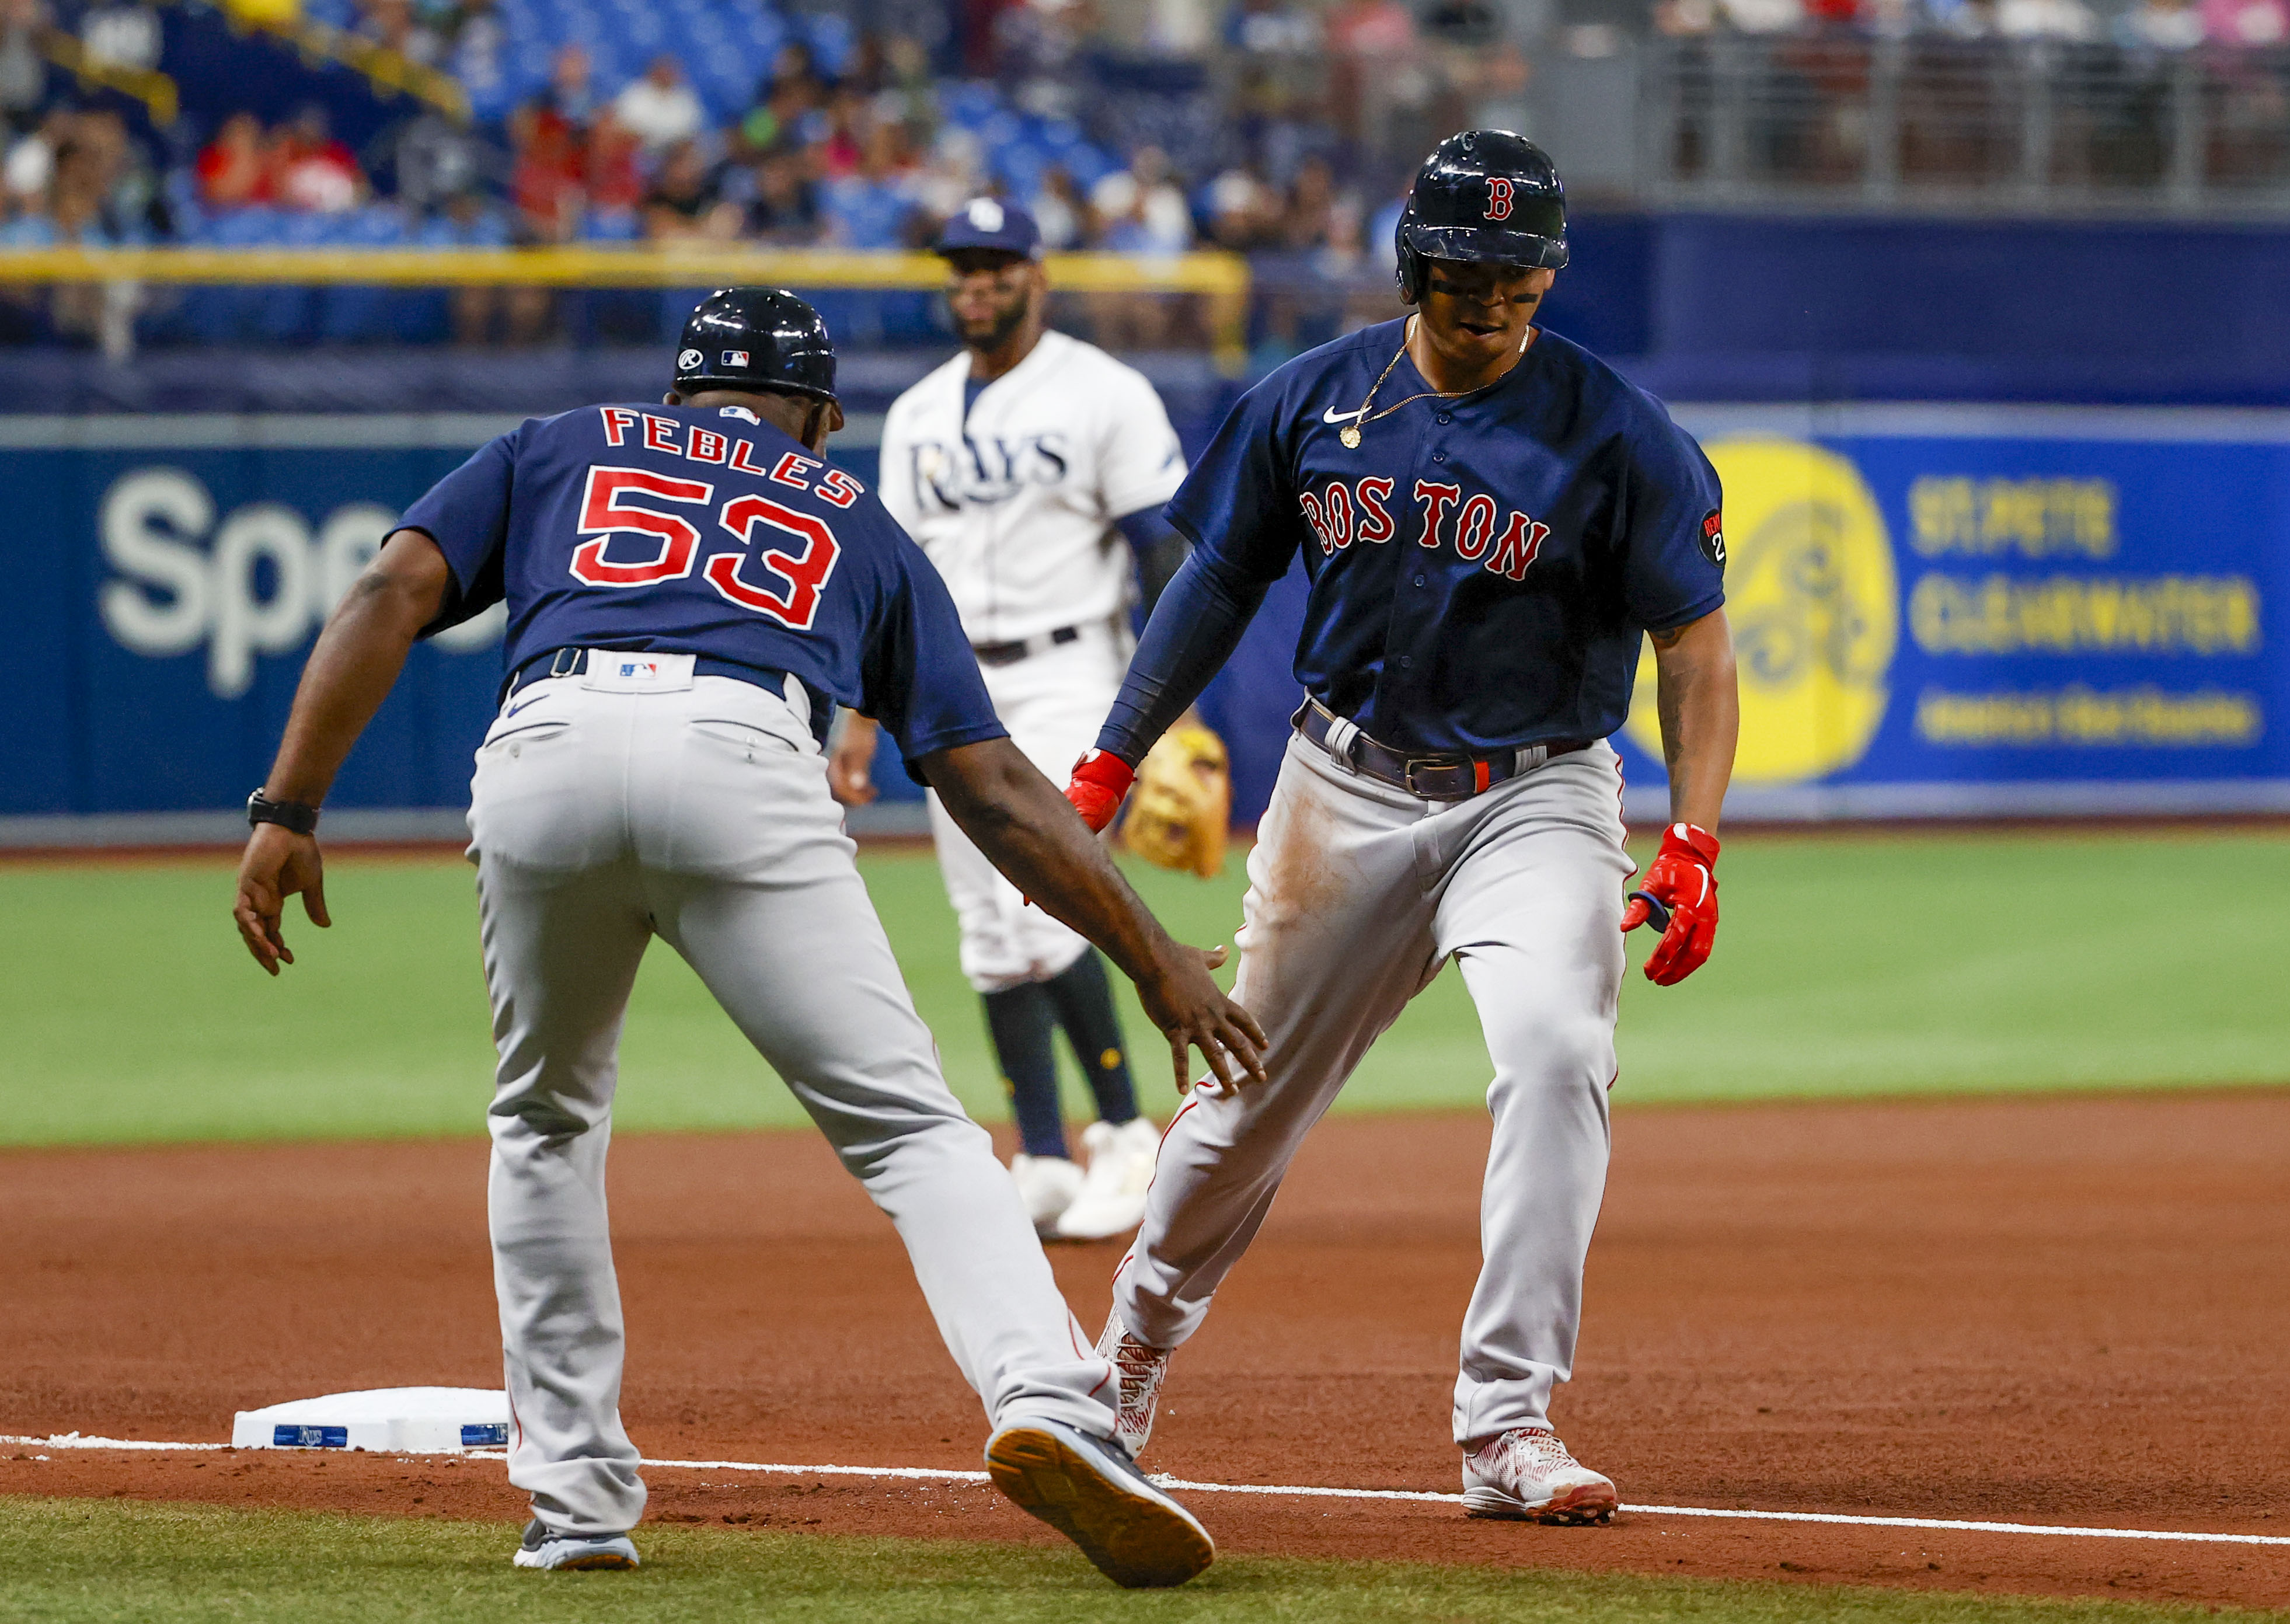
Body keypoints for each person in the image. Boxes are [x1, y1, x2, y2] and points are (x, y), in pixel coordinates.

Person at [231, 287, 1264, 1587]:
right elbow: (989, 785)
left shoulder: (562, 440)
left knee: (543, 1120)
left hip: (544, 747)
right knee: (909, 1131)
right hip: (738, 748)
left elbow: (393, 586)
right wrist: (1152, 956)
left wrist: (288, 805)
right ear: (819, 418)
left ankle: (576, 1503)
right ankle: (1052, 1404)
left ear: (674, 397)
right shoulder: (850, 515)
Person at [1062, 131, 1742, 1524]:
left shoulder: (1619, 433)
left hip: (1537, 795)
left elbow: (1696, 646)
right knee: (1246, 1097)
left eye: (1515, 271)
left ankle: (1506, 1420)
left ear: (1546, 274)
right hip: (1343, 789)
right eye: (1462, 269)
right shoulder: (1311, 398)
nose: (1489, 296)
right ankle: (1127, 1349)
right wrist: (1107, 756)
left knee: (1558, 1051)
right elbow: (1211, 583)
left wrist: (1697, 836)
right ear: (1412, 262)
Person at [831, 198, 1197, 1242]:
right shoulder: (916, 415)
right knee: (989, 933)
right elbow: (891, 581)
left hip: (1072, 669)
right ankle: (1041, 1152)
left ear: (1037, 276)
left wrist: (1174, 711)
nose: (975, 284)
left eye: (994, 266)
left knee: (1045, 899)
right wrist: (859, 717)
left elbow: (1163, 555)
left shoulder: (1102, 393)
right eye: (961, 268)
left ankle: (1124, 1137)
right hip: (945, 686)